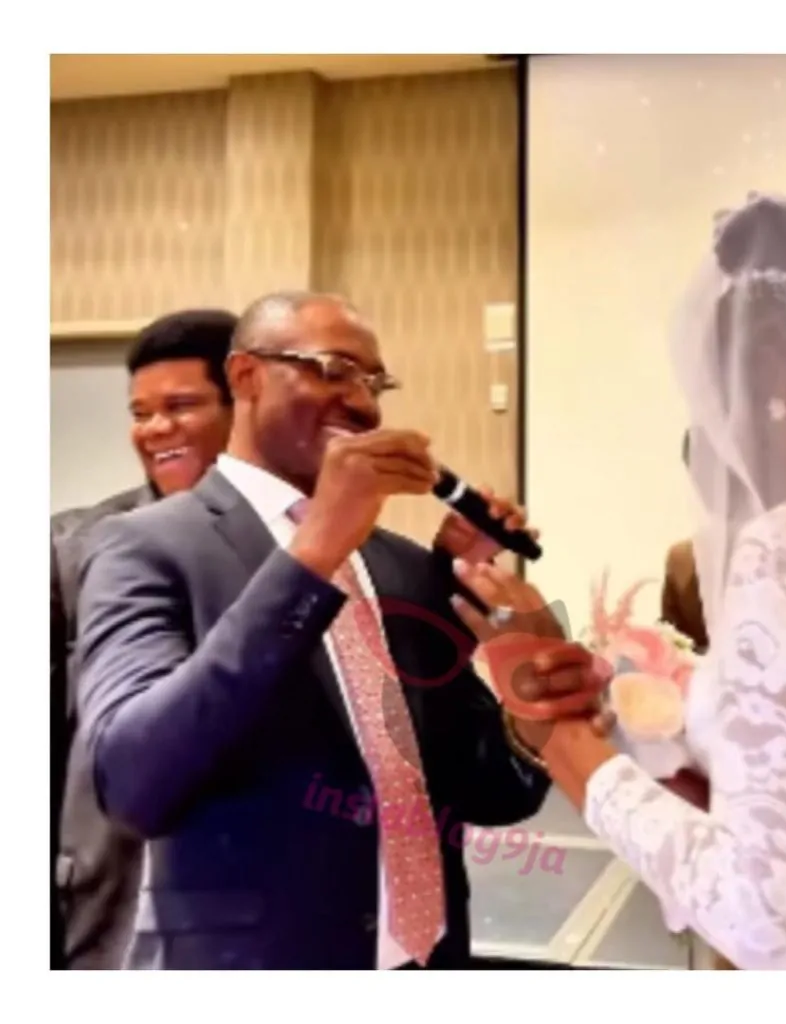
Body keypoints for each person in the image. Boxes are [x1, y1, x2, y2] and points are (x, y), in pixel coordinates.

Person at [452, 189, 786, 969]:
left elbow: (753, 910)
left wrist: (557, 730)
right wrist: (638, 712)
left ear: (773, 373)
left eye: (715, 381)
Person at [73, 290, 550, 970]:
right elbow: (133, 783)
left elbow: (487, 791)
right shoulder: (142, 546)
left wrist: (532, 699)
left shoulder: (405, 567)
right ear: (246, 376)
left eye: (375, 382)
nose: (362, 403)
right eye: (334, 369)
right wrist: (314, 551)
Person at [51, 308, 238, 969]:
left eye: (181, 406)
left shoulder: (296, 546)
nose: (156, 429)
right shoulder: (71, 546)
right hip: (109, 891)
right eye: (141, 412)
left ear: (243, 406)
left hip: (249, 888)